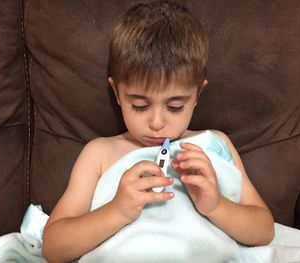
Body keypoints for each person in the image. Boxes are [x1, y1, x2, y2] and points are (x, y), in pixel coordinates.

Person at [42, 1, 274, 262]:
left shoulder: (215, 144)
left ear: (197, 95)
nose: (156, 123)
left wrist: (217, 206)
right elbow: (53, 247)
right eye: (140, 106)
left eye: (175, 107)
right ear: (117, 92)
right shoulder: (100, 154)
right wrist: (116, 211)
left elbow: (264, 230)